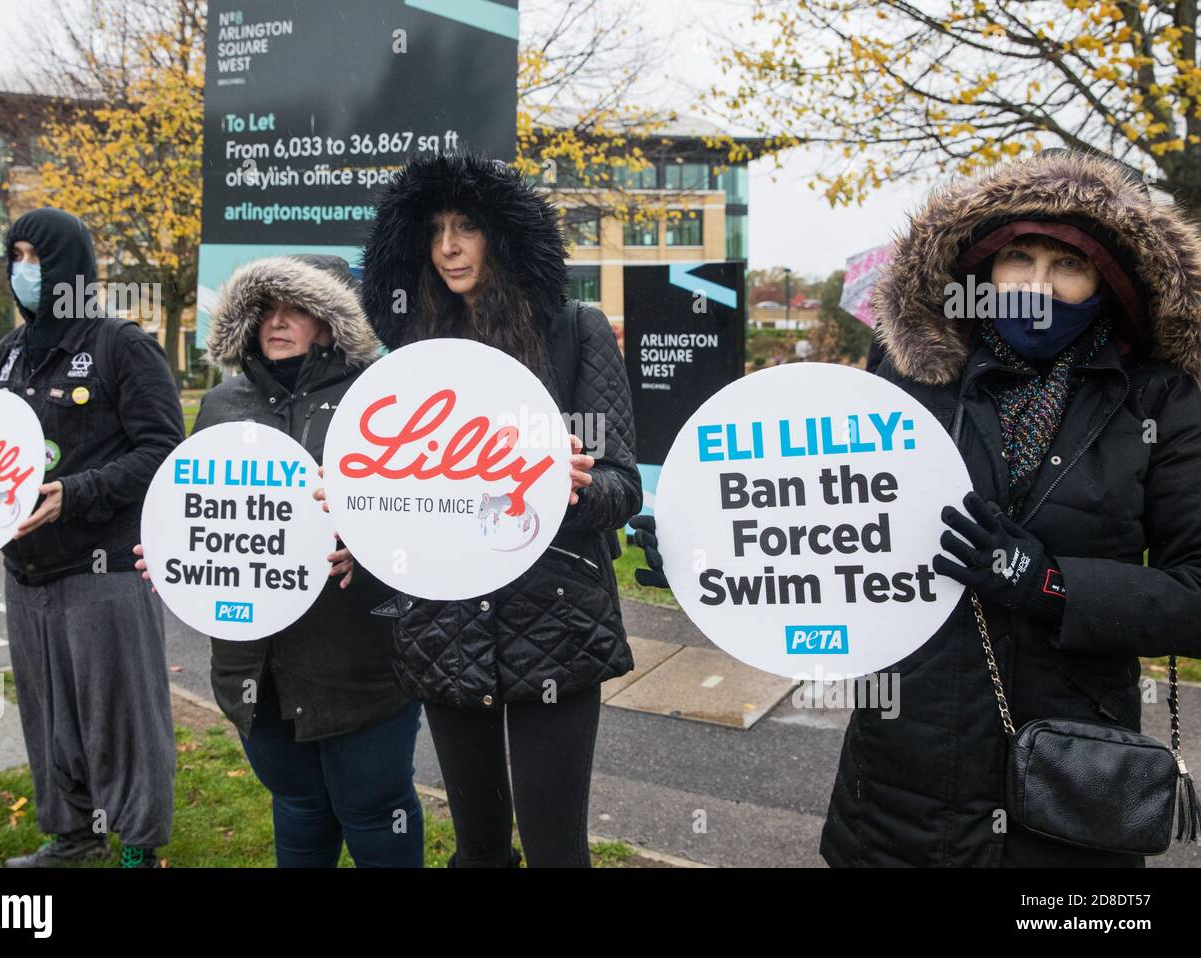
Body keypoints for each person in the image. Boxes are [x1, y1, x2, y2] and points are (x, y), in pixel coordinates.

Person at [633, 149, 1201, 866]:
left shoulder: (1161, 402)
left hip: (1071, 790)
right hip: (900, 788)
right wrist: (709, 554)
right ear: (981, 269)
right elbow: (822, 518)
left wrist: (1052, 585)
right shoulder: (911, 379)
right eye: (1019, 257)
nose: (1037, 285)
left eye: (1067, 265)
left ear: (1108, 281)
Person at [352, 150, 642, 867]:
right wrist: (359, 501)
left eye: (468, 227)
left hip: (556, 624)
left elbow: (623, 486)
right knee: (478, 848)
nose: (449, 248)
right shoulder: (413, 355)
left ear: (503, 235)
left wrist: (570, 486)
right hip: (446, 624)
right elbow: (399, 492)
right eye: (437, 230)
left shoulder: (576, 330)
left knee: (555, 850)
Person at [0, 207, 184, 868]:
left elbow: (165, 452)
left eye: (37, 257)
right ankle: (73, 837)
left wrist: (78, 492)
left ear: (71, 266)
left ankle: (138, 847)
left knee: (121, 720)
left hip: (104, 570)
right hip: (27, 574)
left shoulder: (122, 344)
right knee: (52, 717)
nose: (23, 270)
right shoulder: (8, 353)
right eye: (16, 256)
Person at [137, 254, 424, 867]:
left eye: (299, 307)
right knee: (297, 807)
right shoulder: (221, 403)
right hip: (253, 669)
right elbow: (202, 508)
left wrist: (370, 549)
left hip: (358, 660)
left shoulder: (378, 398)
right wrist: (172, 553)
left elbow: (425, 517)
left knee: (374, 808)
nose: (278, 320)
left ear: (332, 320)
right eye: (265, 307)